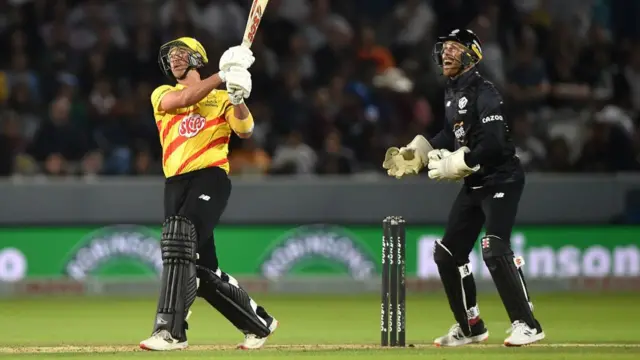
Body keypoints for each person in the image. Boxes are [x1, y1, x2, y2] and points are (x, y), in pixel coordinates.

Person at [382, 29, 545, 347]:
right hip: (475, 184)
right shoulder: (452, 92)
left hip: (502, 179)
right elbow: (450, 132)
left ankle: (528, 324)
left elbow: (495, 143)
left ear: (473, 54)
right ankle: (471, 327)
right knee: (446, 255)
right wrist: (420, 150)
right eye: (444, 48)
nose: (446, 53)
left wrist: (460, 161)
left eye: (455, 49)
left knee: (494, 247)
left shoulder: (486, 92)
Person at [139, 37, 278, 351]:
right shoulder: (163, 93)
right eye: (170, 56)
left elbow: (245, 131)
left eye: (180, 53)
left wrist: (238, 96)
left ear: (196, 58)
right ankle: (259, 323)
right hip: (175, 182)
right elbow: (183, 100)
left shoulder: (221, 98)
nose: (174, 59)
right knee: (200, 271)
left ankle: (170, 332)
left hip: (210, 177)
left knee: (178, 238)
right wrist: (223, 75)